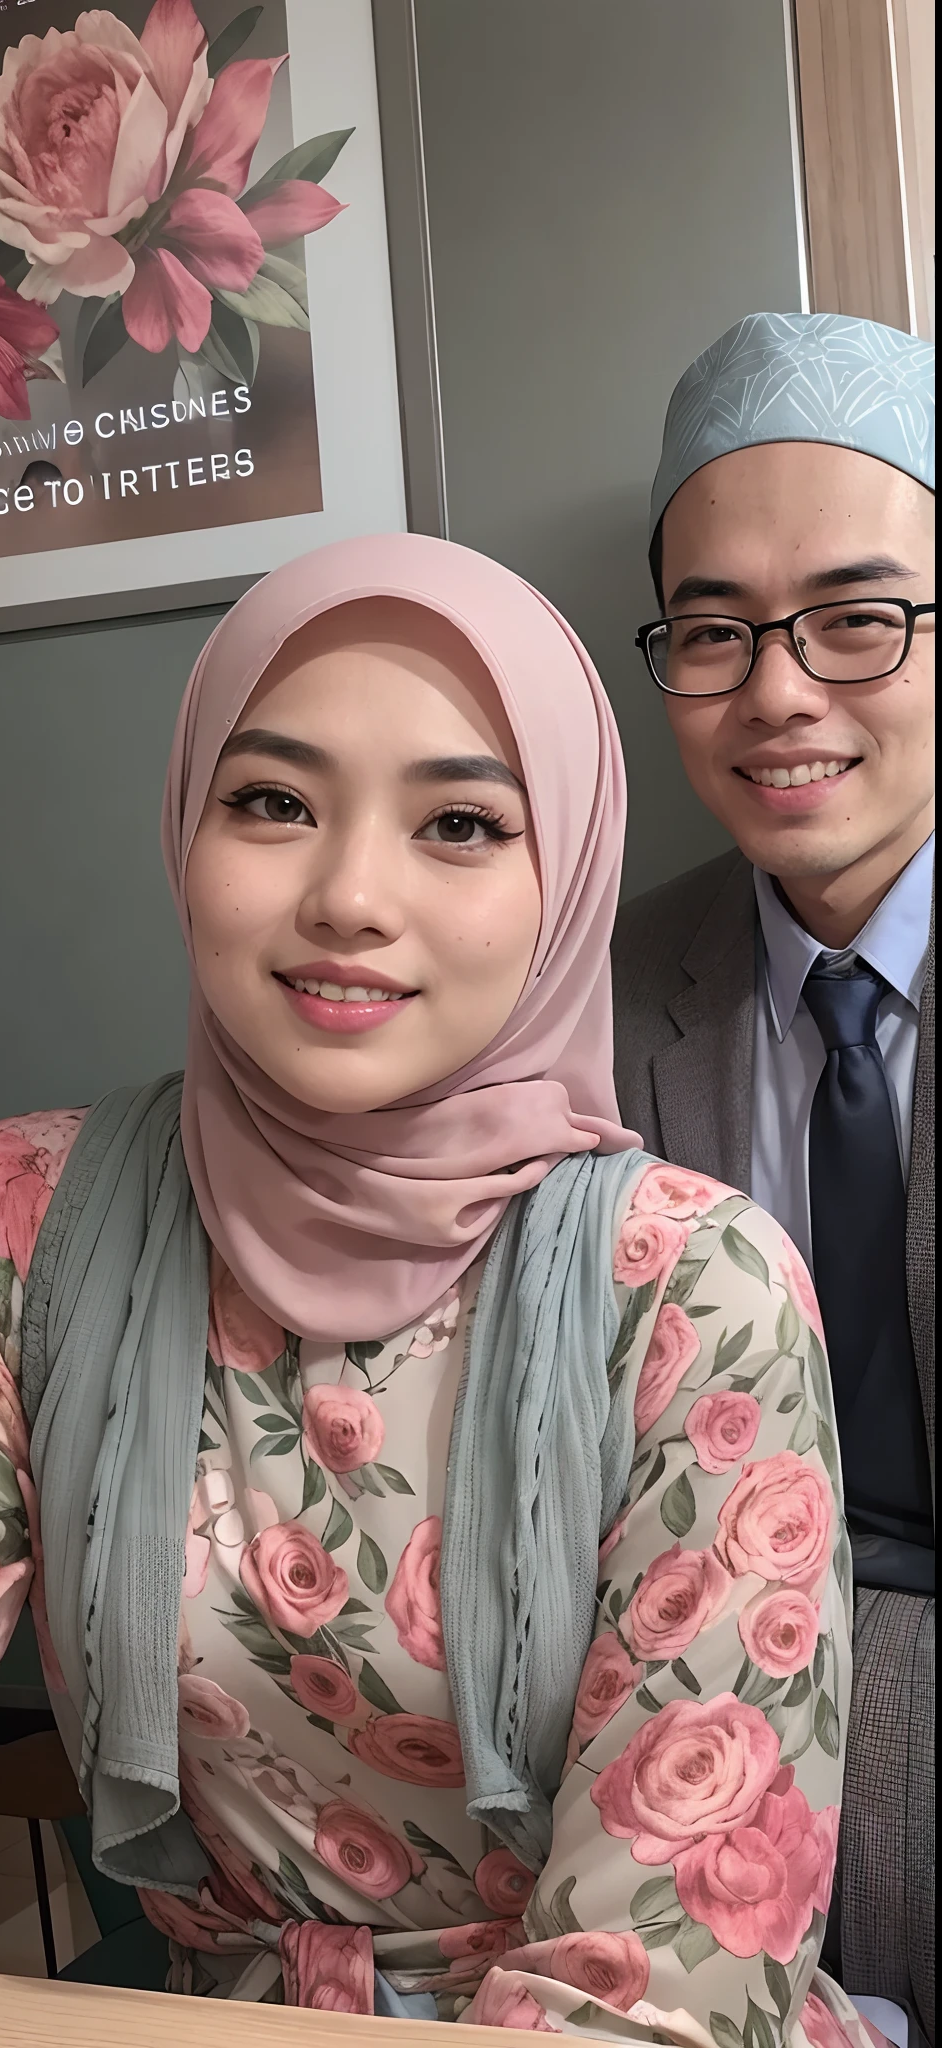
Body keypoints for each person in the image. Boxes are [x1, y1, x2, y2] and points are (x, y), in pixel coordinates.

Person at [0, 534, 861, 2039]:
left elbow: (673, 1973)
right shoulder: (3, 1226)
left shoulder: (697, 1292)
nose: (351, 895)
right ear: (184, 825)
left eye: (461, 824)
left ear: (566, 876)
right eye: (274, 802)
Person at [613, 313, 934, 2046]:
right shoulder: (577, 993)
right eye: (718, 630)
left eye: (860, 618)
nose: (782, 691)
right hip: (691, 1711)